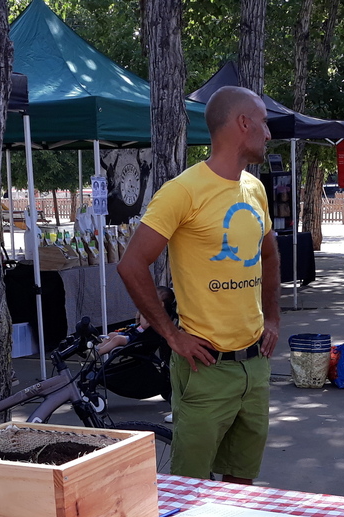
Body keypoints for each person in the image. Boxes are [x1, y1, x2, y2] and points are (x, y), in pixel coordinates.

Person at [117, 86, 280, 484]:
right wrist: (172, 335)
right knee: (190, 490)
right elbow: (131, 264)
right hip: (205, 369)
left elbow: (270, 255)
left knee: (241, 485)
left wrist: (273, 319)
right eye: (263, 123)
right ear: (243, 123)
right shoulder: (183, 191)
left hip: (255, 365)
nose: (268, 133)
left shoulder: (254, 188)